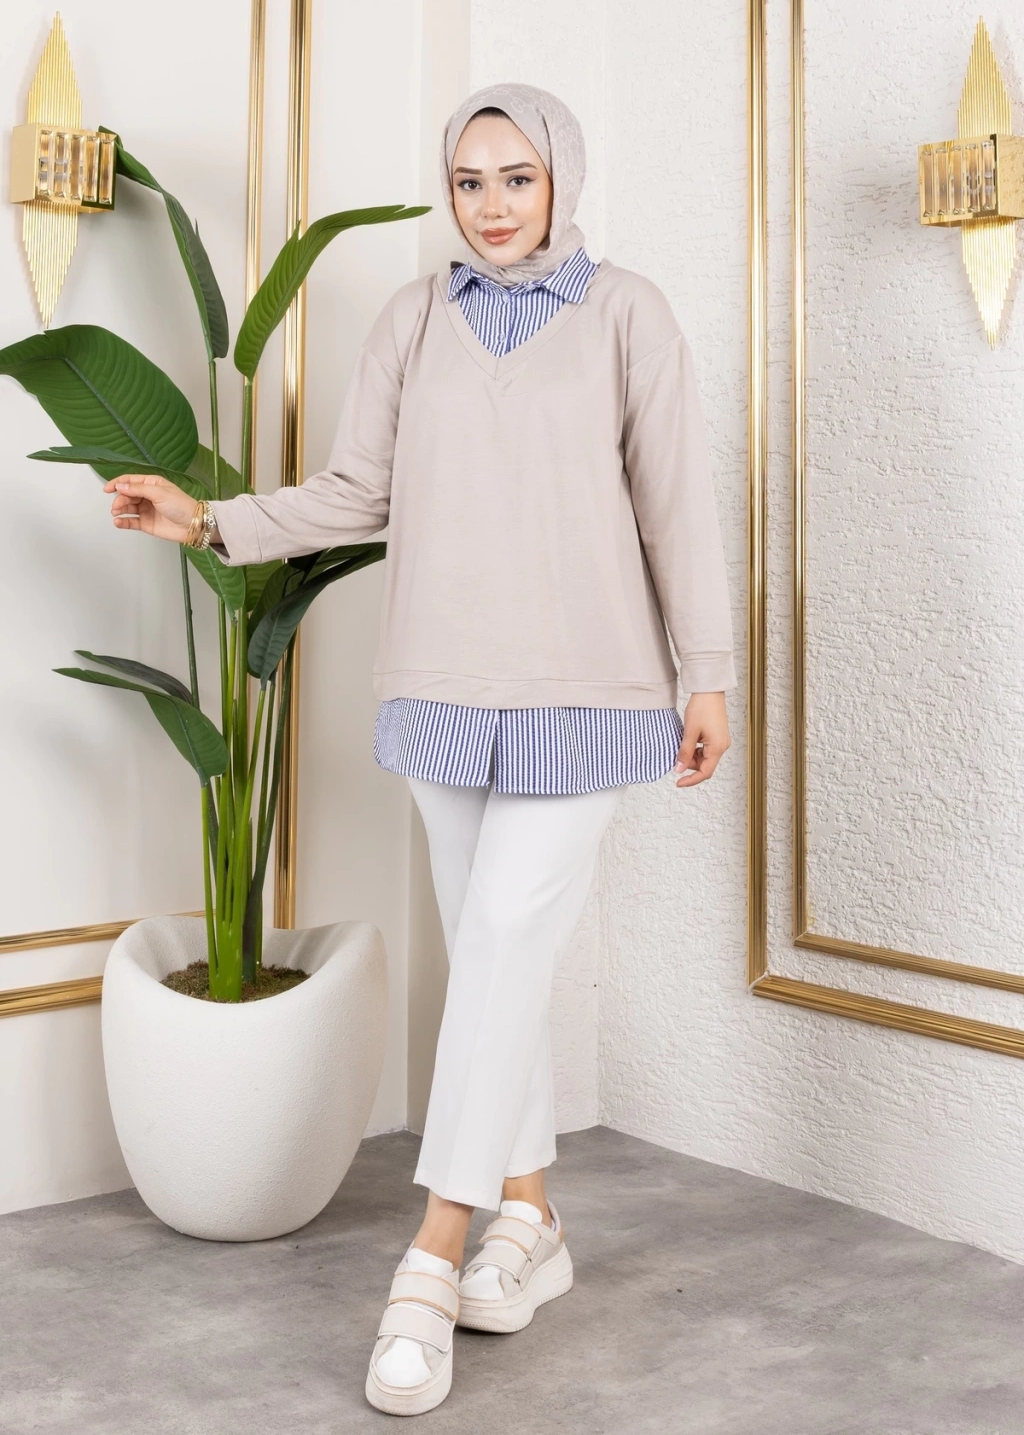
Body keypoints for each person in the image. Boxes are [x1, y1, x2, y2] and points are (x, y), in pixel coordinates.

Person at [105, 82, 736, 1417]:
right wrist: (206, 521)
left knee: (503, 938)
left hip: (589, 693)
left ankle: (433, 1257)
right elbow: (356, 493)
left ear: (561, 178)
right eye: (468, 181)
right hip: (442, 691)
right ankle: (532, 1220)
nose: (492, 206)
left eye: (518, 178)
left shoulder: (630, 315)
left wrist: (710, 677)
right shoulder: (413, 319)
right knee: (495, 957)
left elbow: (678, 506)